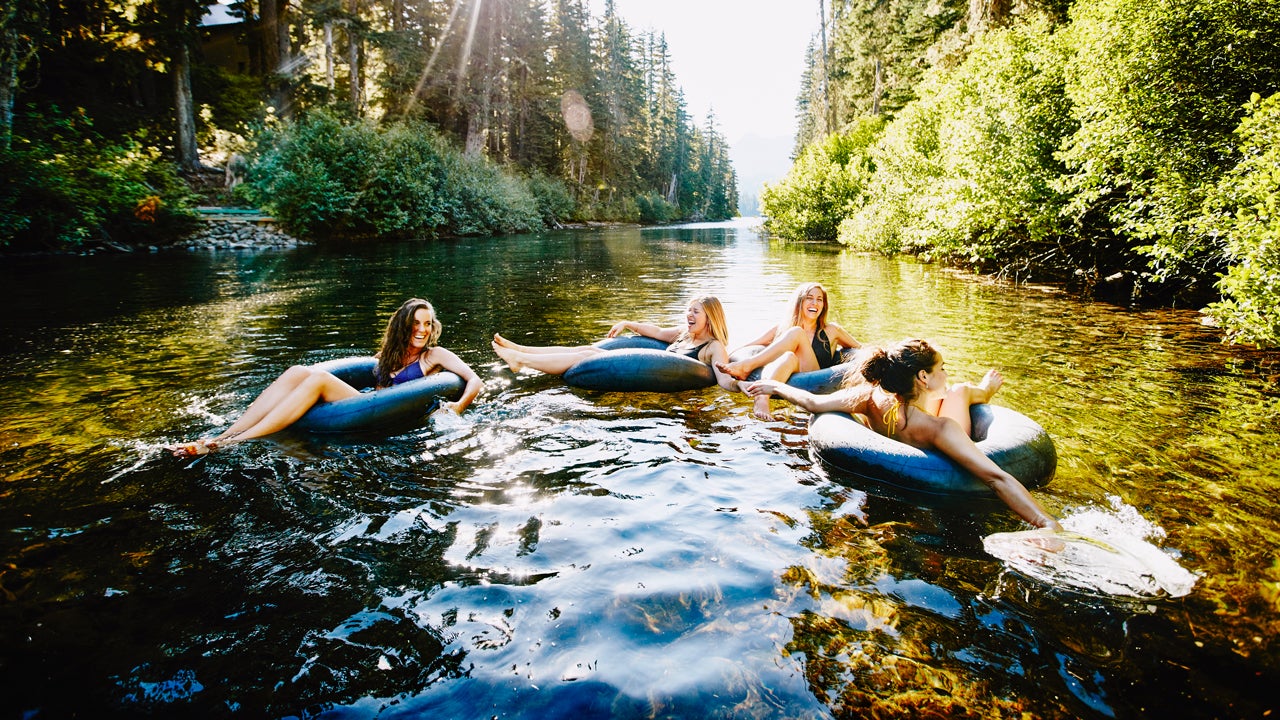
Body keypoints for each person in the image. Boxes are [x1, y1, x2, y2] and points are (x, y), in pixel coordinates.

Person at [743, 338, 1061, 531]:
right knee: (960, 392)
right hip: (940, 462)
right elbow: (997, 478)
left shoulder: (868, 398)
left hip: (892, 471)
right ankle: (985, 390)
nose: (946, 373)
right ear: (923, 376)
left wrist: (776, 387)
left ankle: (979, 390)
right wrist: (1045, 521)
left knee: (951, 393)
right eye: (942, 368)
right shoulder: (940, 429)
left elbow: (813, 402)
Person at [168, 298, 483, 457]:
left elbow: (475, 381)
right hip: (365, 402)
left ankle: (233, 443)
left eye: (427, 324)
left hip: (372, 408)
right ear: (404, 325)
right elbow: (370, 376)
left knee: (316, 381)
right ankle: (224, 434)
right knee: (298, 372)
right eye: (416, 323)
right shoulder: (389, 353)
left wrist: (457, 408)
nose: (422, 330)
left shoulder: (435, 355)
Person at [492, 295, 740, 391]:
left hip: (673, 378)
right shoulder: (683, 334)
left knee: (587, 356)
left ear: (711, 317)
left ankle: (522, 362)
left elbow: (724, 378)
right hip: (652, 370)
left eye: (696, 312)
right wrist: (627, 323)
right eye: (688, 310)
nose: (689, 315)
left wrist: (744, 386)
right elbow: (655, 331)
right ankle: (521, 350)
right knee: (586, 349)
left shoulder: (713, 346)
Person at [716, 282, 861, 420]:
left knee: (797, 332)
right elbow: (750, 346)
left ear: (824, 305)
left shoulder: (832, 330)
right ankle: (761, 398)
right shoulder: (782, 329)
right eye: (809, 298)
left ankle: (747, 367)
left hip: (815, 377)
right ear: (799, 302)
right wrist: (725, 358)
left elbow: (860, 349)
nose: (814, 303)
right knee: (789, 356)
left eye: (819, 300)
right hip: (789, 370)